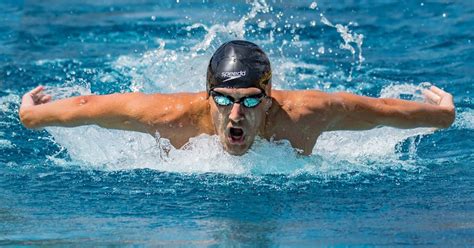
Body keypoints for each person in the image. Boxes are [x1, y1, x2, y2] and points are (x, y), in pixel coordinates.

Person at [19, 40, 455, 155]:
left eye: (249, 101)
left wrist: (443, 116)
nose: (235, 115)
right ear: (207, 95)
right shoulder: (174, 116)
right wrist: (30, 115)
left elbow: (380, 112)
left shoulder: (306, 114)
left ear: (268, 98)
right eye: (224, 99)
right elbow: (87, 108)